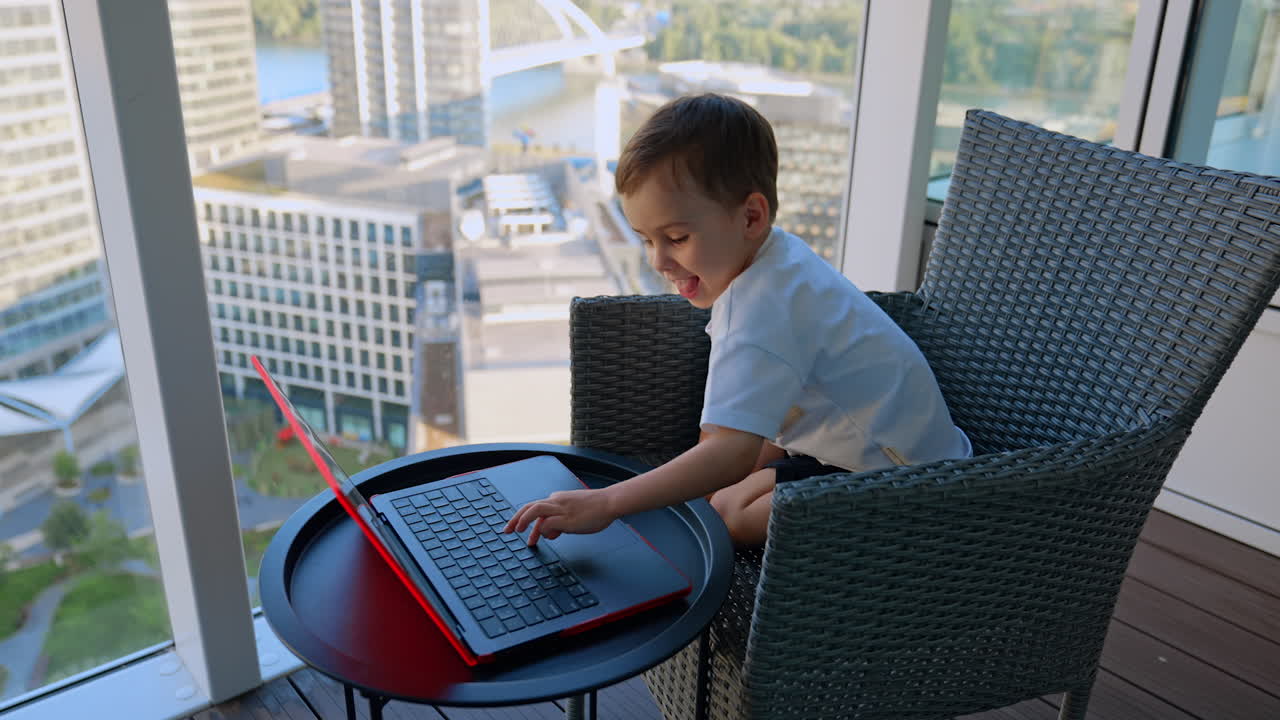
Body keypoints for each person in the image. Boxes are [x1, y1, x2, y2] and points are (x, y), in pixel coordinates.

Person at [505, 93, 971, 547]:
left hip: (912, 484)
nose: (659, 262)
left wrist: (606, 504)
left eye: (677, 237)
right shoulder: (777, 256)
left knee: (726, 512)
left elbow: (727, 453)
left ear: (751, 216)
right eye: (646, 240)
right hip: (870, 442)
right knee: (714, 493)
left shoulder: (758, 314)